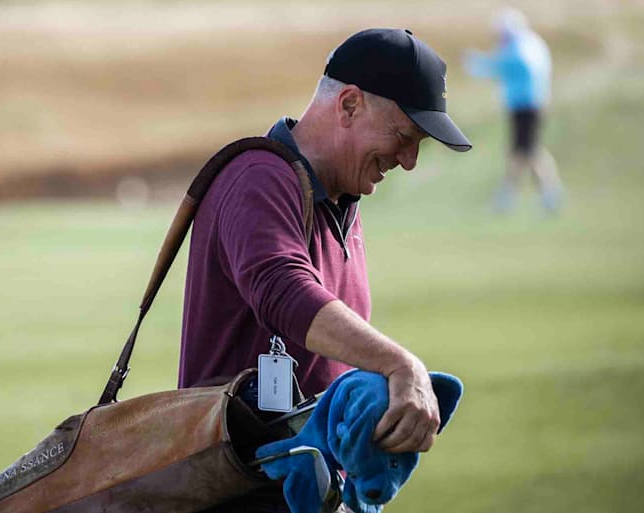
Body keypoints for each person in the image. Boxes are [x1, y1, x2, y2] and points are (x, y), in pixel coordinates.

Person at [178, 28, 472, 512]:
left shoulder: (338, 201)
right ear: (350, 105)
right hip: (238, 495)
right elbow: (282, 289)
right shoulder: (260, 178)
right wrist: (401, 365)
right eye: (403, 136)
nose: (410, 161)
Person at [464, 7, 564, 214]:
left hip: (527, 105)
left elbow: (505, 66)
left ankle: (509, 197)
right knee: (529, 151)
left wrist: (479, 64)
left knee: (522, 152)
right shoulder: (527, 43)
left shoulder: (520, 47)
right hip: (527, 105)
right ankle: (547, 195)